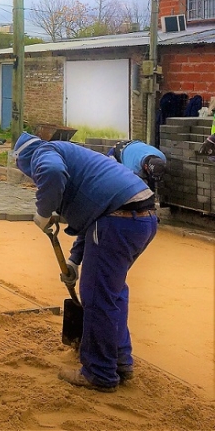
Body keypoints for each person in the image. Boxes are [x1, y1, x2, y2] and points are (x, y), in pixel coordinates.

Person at [12, 132, 158, 393]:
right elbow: (94, 213)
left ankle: (100, 372)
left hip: (116, 222)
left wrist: (44, 212)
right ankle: (120, 361)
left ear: (24, 161)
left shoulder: (44, 153)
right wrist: (74, 261)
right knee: (112, 294)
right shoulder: (76, 159)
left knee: (98, 298)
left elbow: (52, 172)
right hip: (141, 221)